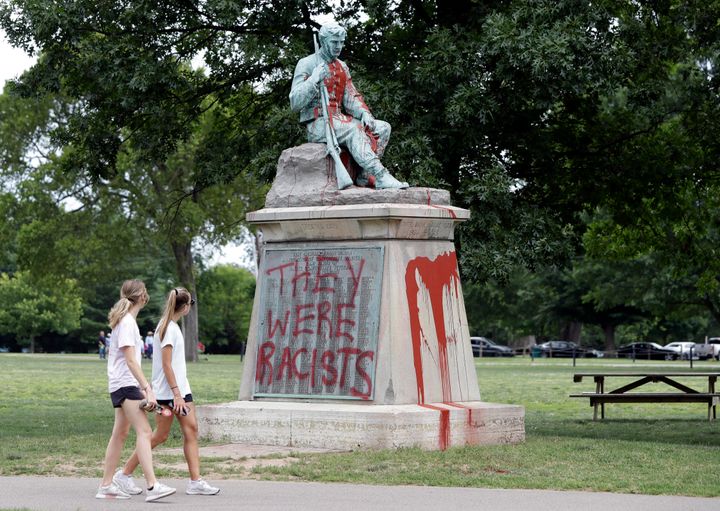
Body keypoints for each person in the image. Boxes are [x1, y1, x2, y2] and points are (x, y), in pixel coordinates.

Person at [116, 287, 220, 496]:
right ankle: (124, 474)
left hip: (179, 390)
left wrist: (180, 392)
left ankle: (195, 481)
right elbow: (166, 365)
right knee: (160, 436)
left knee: (191, 430)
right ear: (184, 307)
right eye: (191, 303)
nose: (191, 307)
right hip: (170, 394)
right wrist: (177, 395)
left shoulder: (171, 326)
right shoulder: (168, 328)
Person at [289, 23, 408, 190]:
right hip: (318, 123)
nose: (339, 46)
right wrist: (313, 79)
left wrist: (365, 113)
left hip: (339, 118)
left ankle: (365, 176)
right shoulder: (307, 63)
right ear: (323, 41)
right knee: (354, 128)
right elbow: (294, 102)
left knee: (382, 128)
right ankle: (381, 176)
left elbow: (351, 96)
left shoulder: (342, 66)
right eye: (334, 42)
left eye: (341, 42)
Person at [96, 279, 176, 502]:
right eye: (146, 292)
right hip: (125, 384)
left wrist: (142, 391)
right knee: (145, 431)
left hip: (121, 384)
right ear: (142, 296)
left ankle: (106, 485)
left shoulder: (125, 321)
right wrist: (147, 390)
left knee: (120, 434)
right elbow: (131, 361)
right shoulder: (128, 322)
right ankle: (152, 486)